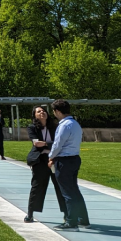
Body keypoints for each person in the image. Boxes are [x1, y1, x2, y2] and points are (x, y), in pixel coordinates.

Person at [49, 99, 91, 231]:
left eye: (54, 111)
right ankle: (83, 219)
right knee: (74, 190)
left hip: (64, 160)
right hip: (74, 158)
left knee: (67, 192)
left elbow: (57, 144)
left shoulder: (64, 125)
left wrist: (51, 157)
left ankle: (71, 221)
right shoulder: (75, 124)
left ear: (58, 111)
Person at [24, 106, 67, 224]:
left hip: (54, 159)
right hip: (40, 160)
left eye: (43, 111)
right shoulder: (32, 128)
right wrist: (52, 144)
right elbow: (36, 143)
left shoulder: (56, 127)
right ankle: (30, 213)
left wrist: (46, 144)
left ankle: (66, 214)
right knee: (37, 186)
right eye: (39, 111)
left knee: (60, 187)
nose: (42, 112)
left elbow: (60, 143)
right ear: (35, 115)